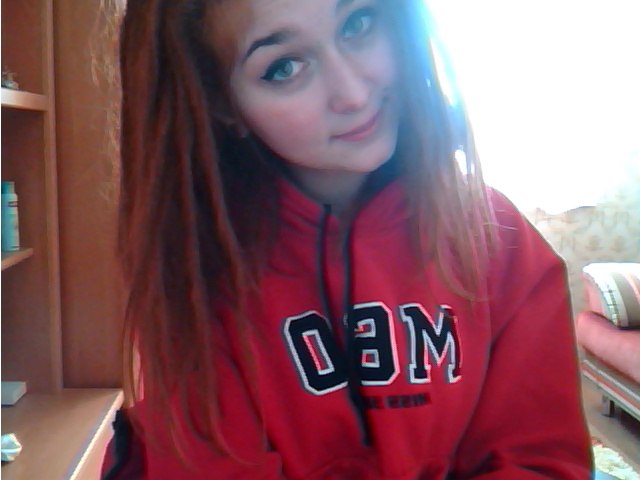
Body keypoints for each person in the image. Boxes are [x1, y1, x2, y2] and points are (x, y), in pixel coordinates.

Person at [102, 0, 593, 478]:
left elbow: (543, 460)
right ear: (222, 104)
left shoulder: (498, 240)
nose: (353, 93)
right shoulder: (198, 276)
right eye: (284, 67)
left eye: (358, 23)